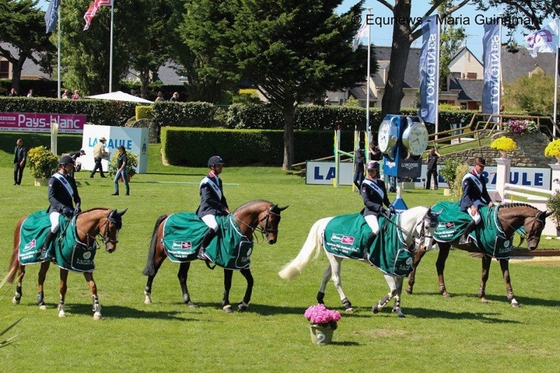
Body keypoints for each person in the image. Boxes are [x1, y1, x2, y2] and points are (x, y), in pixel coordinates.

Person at [40, 156, 81, 261]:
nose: (72, 168)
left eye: (72, 166)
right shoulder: (54, 179)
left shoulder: (71, 180)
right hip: (56, 210)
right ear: (63, 166)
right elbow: (51, 197)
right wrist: (62, 207)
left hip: (70, 210)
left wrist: (77, 206)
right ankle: (44, 250)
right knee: (56, 225)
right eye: (70, 166)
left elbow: (76, 197)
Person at [196, 155, 230, 260]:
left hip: (217, 210)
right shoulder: (206, 181)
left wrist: (227, 209)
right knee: (214, 226)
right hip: (207, 211)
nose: (221, 167)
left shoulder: (218, 181)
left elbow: (222, 197)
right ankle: (201, 250)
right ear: (212, 167)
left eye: (221, 165)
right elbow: (208, 199)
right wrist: (222, 207)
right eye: (219, 166)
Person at [459, 157, 493, 244]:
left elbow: (484, 193)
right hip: (468, 202)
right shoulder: (468, 178)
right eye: (480, 166)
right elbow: (465, 195)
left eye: (483, 166)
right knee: (477, 218)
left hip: (478, 201)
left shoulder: (482, 178)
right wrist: (472, 206)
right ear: (475, 165)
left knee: (490, 212)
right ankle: (464, 237)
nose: (481, 168)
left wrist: (489, 201)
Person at [361, 161, 395, 248]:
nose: (370, 173)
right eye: (369, 171)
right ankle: (365, 250)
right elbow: (366, 201)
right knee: (376, 230)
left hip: (381, 211)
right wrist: (379, 207)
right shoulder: (365, 184)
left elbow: (385, 199)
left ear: (377, 171)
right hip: (370, 212)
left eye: (372, 171)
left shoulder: (381, 183)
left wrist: (390, 206)